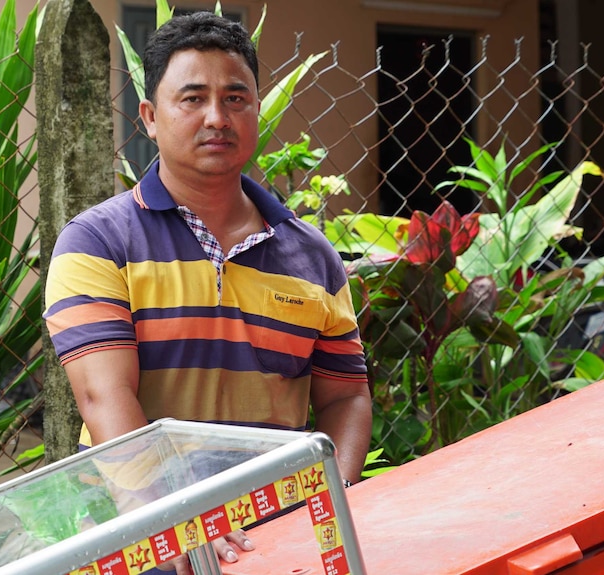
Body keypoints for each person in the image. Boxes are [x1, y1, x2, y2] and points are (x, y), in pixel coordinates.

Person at [43, 11, 372, 573]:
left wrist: (328, 497)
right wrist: (172, 524)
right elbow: (104, 399)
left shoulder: (312, 257)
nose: (217, 117)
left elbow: (346, 397)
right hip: (135, 542)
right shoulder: (97, 242)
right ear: (150, 117)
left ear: (257, 110)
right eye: (192, 98)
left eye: (236, 98)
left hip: (276, 543)